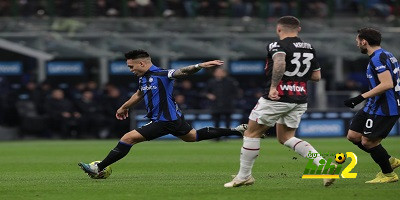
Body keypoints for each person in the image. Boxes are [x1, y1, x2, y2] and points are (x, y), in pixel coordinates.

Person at [78, 49, 243, 178]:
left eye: (131, 66)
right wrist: (124, 107)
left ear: (142, 63)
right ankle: (237, 131)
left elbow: (181, 72)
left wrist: (198, 66)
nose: (130, 70)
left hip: (165, 120)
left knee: (127, 138)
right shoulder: (143, 77)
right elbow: (140, 93)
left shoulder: (162, 74)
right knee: (192, 136)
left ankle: (97, 167)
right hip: (174, 119)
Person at [224, 16, 334, 187]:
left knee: (251, 133)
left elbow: (280, 62)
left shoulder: (277, 45)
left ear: (279, 29)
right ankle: (324, 167)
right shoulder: (309, 48)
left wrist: (274, 86)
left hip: (278, 97)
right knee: (286, 137)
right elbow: (316, 76)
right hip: (300, 98)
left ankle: (244, 175)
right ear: (299, 29)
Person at [344, 27, 400, 183]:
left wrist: (359, 97)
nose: (357, 45)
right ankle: (389, 160)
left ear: (364, 42)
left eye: (357, 41)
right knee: (353, 135)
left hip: (386, 107)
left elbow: (387, 84)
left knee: (368, 141)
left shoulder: (377, 58)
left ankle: (389, 174)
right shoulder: (386, 55)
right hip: (373, 105)